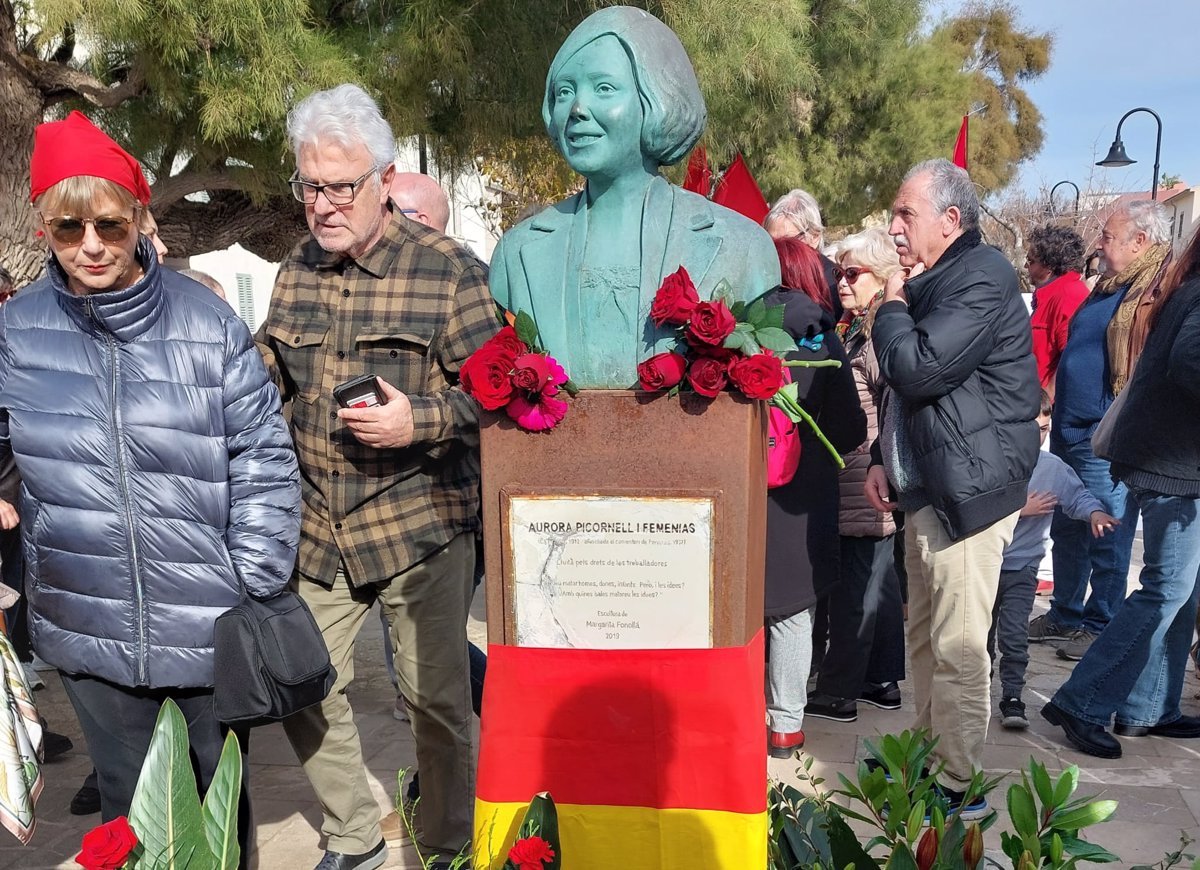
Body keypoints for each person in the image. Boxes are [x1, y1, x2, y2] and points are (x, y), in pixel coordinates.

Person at [0, 110, 299, 862]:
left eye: (108, 223)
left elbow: (263, 456)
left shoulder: (207, 323)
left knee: (213, 817)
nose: (91, 246)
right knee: (128, 822)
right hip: (85, 628)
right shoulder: (17, 331)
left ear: (140, 218)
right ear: (45, 229)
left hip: (207, 629)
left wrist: (249, 580)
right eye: (69, 229)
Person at [255, 84, 496, 870]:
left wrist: (418, 419)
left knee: (436, 703)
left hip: (418, 528)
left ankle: (448, 846)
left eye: (338, 186)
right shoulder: (295, 272)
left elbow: (502, 395)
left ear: (385, 180)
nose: (320, 205)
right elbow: (269, 377)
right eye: (307, 187)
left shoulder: (449, 271)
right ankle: (355, 832)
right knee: (300, 682)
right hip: (319, 529)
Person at [865, 158, 1039, 818]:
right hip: (930, 487)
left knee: (959, 644)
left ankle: (958, 780)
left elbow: (917, 367)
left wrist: (889, 305)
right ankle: (927, 748)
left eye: (905, 212)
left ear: (950, 219)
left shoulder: (982, 275)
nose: (893, 225)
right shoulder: (939, 278)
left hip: (970, 491)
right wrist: (886, 456)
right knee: (925, 637)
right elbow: (909, 401)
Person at [488, 5, 779, 388]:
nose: (576, 109)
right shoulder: (517, 253)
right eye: (564, 92)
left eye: (603, 88)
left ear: (655, 99)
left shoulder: (741, 247)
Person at [1042, 224, 1200, 758]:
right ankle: (1081, 701)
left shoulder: (1182, 283)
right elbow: (1190, 360)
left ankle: (1148, 707)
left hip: (1172, 459)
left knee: (1182, 590)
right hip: (1174, 464)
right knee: (1165, 588)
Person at [1030, 201, 1173, 662]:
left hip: (1104, 434)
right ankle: (1066, 614)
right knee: (1068, 525)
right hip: (1071, 428)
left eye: (1108, 236)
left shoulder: (1156, 291)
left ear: (1140, 241)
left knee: (1106, 530)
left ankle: (1099, 621)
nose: (1098, 244)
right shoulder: (1104, 288)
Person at [765, 237, 865, 757]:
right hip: (801, 496)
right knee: (792, 611)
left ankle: (737, 711)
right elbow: (850, 425)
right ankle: (784, 725)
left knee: (739, 607)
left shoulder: (729, 333)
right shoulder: (820, 338)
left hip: (738, 493)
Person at [805, 228, 906, 724]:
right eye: (839, 273)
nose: (841, 282)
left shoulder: (880, 332)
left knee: (854, 592)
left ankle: (838, 692)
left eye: (852, 273)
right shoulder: (857, 328)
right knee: (877, 586)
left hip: (866, 474)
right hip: (860, 474)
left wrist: (883, 466)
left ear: (883, 277)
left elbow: (892, 403)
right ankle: (879, 681)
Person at [988, 390, 1116, 731]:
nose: (1038, 436)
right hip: (983, 563)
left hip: (1022, 566)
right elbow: (973, 507)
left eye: (1045, 429)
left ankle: (1012, 695)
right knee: (976, 636)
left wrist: (1095, 512)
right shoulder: (991, 459)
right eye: (1032, 428)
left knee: (1014, 634)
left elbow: (1077, 495)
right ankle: (974, 689)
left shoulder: (1052, 467)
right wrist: (1019, 509)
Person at [1026, 225, 1089, 399]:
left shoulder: (1068, 295)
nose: (1026, 266)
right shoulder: (1051, 296)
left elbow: (1072, 358)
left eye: (1031, 261)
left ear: (1049, 266)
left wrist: (1047, 398)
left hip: (1047, 409)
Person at [764, 188, 842, 318]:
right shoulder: (762, 271)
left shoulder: (833, 283)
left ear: (814, 237)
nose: (777, 250)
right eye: (771, 241)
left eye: (787, 243)